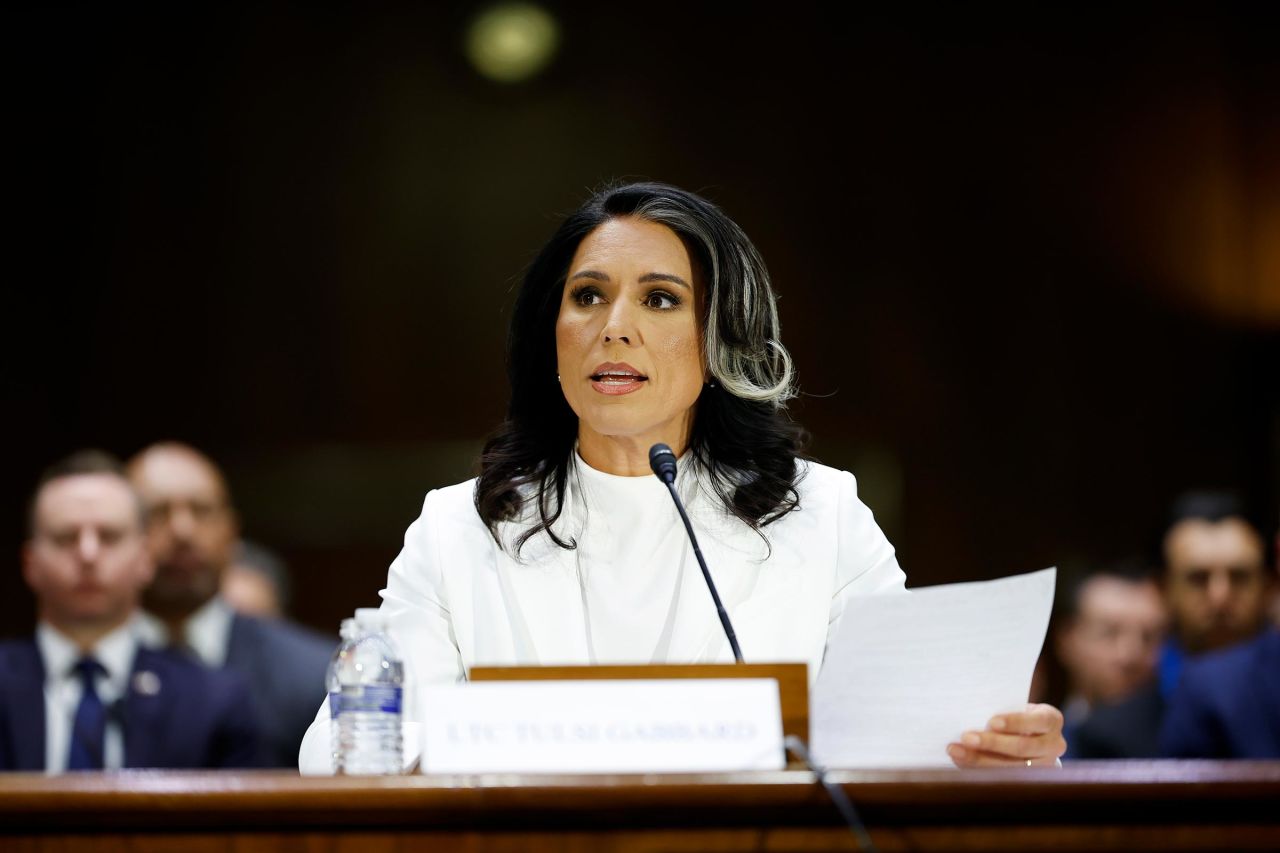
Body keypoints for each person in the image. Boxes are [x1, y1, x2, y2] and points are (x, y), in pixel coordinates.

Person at [298, 181, 1066, 772]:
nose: (614, 326)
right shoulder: (459, 527)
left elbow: (904, 730)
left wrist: (998, 746)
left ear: (718, 338)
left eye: (660, 298)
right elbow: (342, 740)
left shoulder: (821, 516)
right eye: (588, 295)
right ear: (553, 334)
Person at [0, 451, 262, 771]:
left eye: (109, 536)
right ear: (30, 563)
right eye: (65, 537)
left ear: (144, 559)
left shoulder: (213, 700)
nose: (88, 554)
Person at [127, 442, 333, 768]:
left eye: (201, 510)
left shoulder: (313, 676)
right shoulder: (89, 671)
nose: (182, 530)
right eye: (157, 512)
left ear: (231, 531)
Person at [1070, 491, 1271, 758]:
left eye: (1240, 576)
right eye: (1198, 578)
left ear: (1269, 586)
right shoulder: (1108, 736)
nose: (1220, 597)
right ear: (1162, 589)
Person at [1052, 561, 1166, 752]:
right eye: (1109, 633)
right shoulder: (1031, 740)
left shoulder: (1185, 740)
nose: (1129, 655)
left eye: (1148, 637)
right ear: (1066, 640)